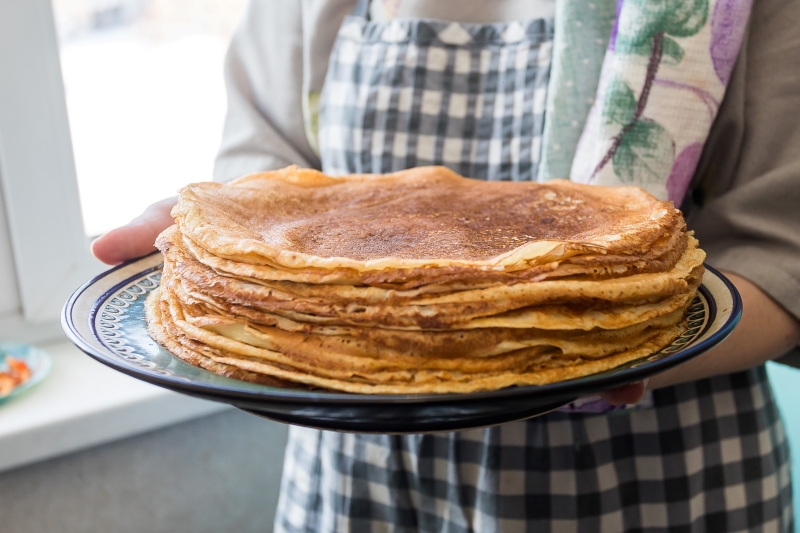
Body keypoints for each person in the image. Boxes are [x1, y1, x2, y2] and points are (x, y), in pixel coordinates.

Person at [93, 0, 800, 530]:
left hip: (652, 477)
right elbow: (262, 165)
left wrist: (599, 342)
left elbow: (783, 256)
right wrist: (204, 239)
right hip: (356, 474)